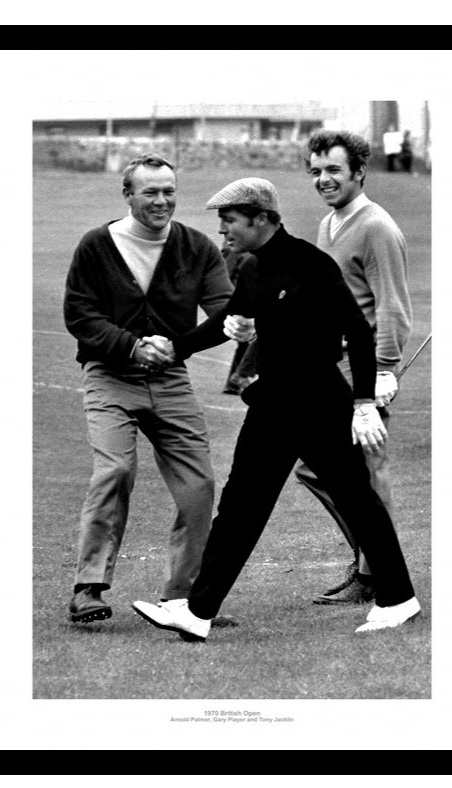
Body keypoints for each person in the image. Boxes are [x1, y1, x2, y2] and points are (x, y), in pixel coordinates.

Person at [131, 177, 421, 640]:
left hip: (320, 402)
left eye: (230, 221)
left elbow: (359, 332)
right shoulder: (253, 268)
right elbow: (230, 320)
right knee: (241, 504)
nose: (223, 231)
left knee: (356, 499)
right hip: (274, 403)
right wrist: (175, 348)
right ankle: (199, 611)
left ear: (261, 218)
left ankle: (398, 599)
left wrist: (364, 401)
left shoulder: (313, 265)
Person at [63, 153, 234, 624]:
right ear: (128, 195)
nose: (162, 201)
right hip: (109, 375)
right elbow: (80, 316)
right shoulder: (97, 245)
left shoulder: (197, 247)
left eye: (169, 192)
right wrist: (132, 347)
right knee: (114, 471)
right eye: (150, 192)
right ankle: (88, 587)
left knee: (199, 484)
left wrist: (178, 345)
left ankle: (183, 597)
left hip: (171, 379)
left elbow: (225, 311)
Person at [298, 129, 413, 605]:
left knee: (366, 470)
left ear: (360, 172)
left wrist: (384, 370)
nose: (324, 180)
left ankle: (380, 574)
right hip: (330, 366)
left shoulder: (377, 227)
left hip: (362, 371)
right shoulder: (331, 222)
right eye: (317, 171)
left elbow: (393, 307)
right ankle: (372, 564)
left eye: (333, 171)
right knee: (318, 468)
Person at [221, 243, 258, 395]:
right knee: (250, 340)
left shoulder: (256, 250)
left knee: (246, 343)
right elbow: (224, 276)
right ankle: (239, 376)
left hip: (255, 301)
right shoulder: (234, 250)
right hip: (243, 302)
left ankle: (234, 381)